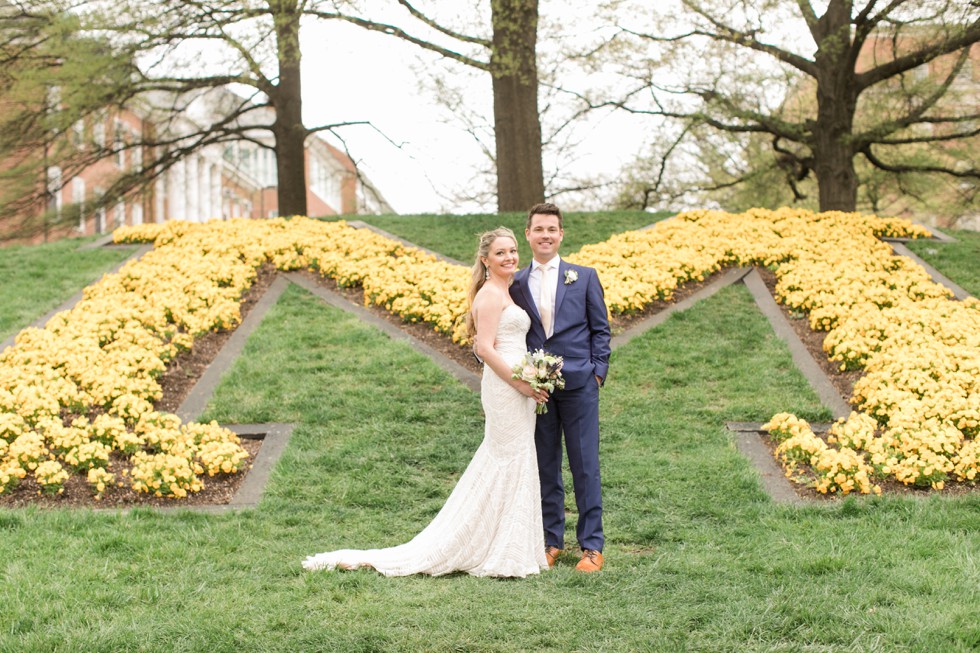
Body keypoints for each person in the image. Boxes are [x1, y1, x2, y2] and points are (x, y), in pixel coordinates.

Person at [302, 227, 549, 577]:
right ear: (485, 260)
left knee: (515, 458)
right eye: (500, 253)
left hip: (519, 384)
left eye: (512, 250)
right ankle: (491, 548)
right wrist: (520, 383)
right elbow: (483, 348)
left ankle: (509, 545)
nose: (509, 257)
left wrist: (531, 377)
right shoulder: (490, 296)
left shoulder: (506, 292)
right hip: (506, 386)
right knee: (507, 458)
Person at [509, 203, 611, 573]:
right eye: (539, 229)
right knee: (545, 465)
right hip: (538, 391)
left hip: (581, 384)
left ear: (561, 234)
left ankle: (592, 547)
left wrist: (597, 371)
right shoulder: (517, 282)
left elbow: (600, 329)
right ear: (529, 234)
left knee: (585, 465)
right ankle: (551, 541)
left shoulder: (583, 277)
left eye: (552, 229)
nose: (546, 235)